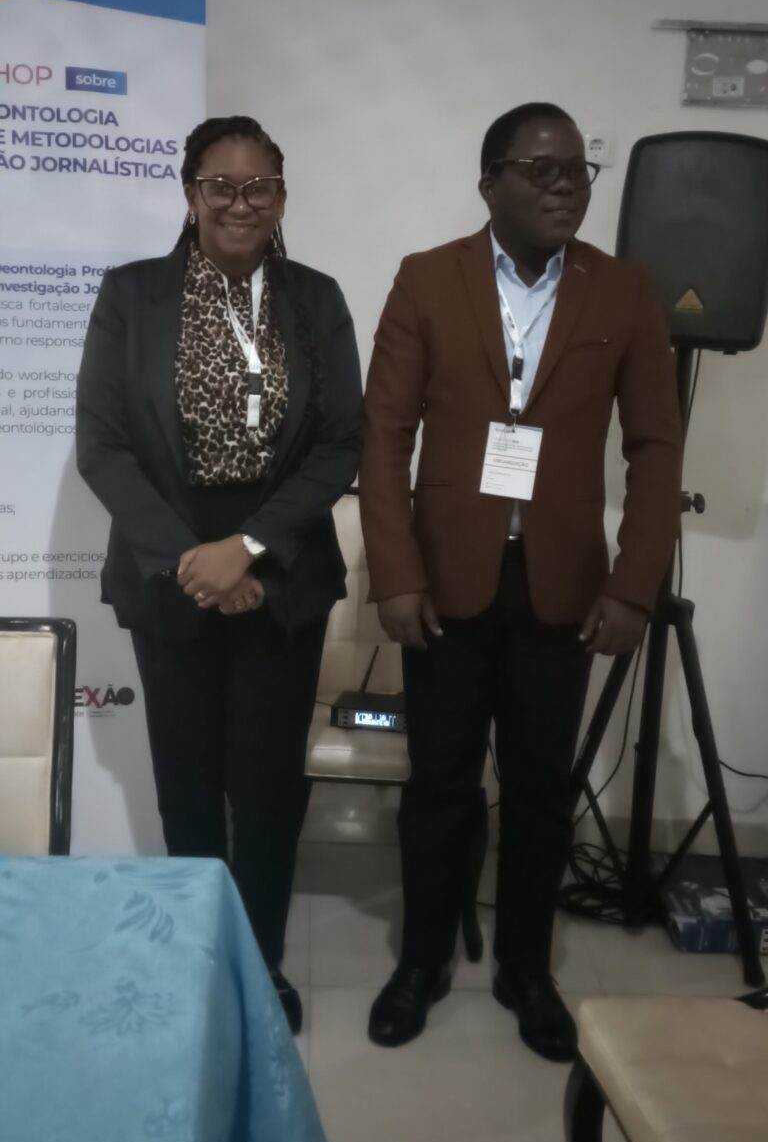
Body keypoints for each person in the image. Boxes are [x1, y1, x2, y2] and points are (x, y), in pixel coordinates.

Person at [359, 103, 682, 1061]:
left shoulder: (622, 291)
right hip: (444, 582)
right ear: (490, 181)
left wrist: (634, 584)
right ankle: (422, 960)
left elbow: (657, 447)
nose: (565, 186)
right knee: (440, 787)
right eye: (542, 170)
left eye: (577, 170)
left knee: (541, 792)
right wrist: (395, 572)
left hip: (563, 588)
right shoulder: (427, 278)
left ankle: (526, 970)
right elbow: (385, 436)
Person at [77, 115, 362, 1034]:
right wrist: (192, 558)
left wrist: (249, 546)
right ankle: (199, 960)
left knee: (269, 790)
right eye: (221, 186)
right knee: (188, 787)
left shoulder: (316, 299)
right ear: (190, 192)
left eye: (260, 187)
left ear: (281, 196)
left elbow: (341, 444)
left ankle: (259, 962)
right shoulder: (132, 295)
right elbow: (103, 446)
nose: (241, 204)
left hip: (282, 572)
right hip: (169, 571)